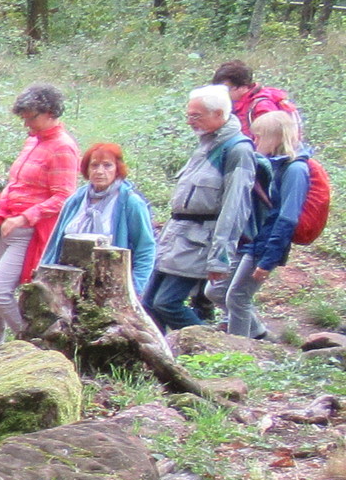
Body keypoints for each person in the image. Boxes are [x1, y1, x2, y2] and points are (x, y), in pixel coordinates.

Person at [147, 85, 256, 336]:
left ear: (219, 114)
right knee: (149, 304)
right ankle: (159, 354)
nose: (189, 121)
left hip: (198, 243)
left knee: (167, 303)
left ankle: (212, 348)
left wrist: (220, 257)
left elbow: (235, 208)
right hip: (175, 238)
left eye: (195, 116)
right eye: (188, 115)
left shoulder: (237, 150)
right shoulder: (206, 144)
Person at [0, 82, 79, 344]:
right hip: (5, 223)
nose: (27, 124)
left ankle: (34, 343)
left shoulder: (63, 147)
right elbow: (16, 183)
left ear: (50, 112)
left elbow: (63, 197)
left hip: (28, 231)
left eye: (31, 118)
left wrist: (24, 217)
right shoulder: (33, 140)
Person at [224, 111, 312, 341]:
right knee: (224, 292)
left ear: (275, 137)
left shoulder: (295, 170)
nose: (255, 142)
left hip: (268, 245)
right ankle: (257, 336)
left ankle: (238, 350)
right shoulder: (279, 165)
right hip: (259, 240)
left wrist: (268, 260)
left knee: (238, 297)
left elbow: (287, 219)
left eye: (259, 136)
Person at [45, 142, 157, 306]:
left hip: (110, 288)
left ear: (117, 169)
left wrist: (134, 289)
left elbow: (145, 248)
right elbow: (54, 244)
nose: (100, 171)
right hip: (68, 285)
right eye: (94, 165)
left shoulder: (131, 203)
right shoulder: (75, 200)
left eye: (107, 165)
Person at [213, 59, 294, 132]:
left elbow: (271, 138)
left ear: (242, 86)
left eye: (226, 89)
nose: (222, 93)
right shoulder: (239, 103)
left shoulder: (261, 106)